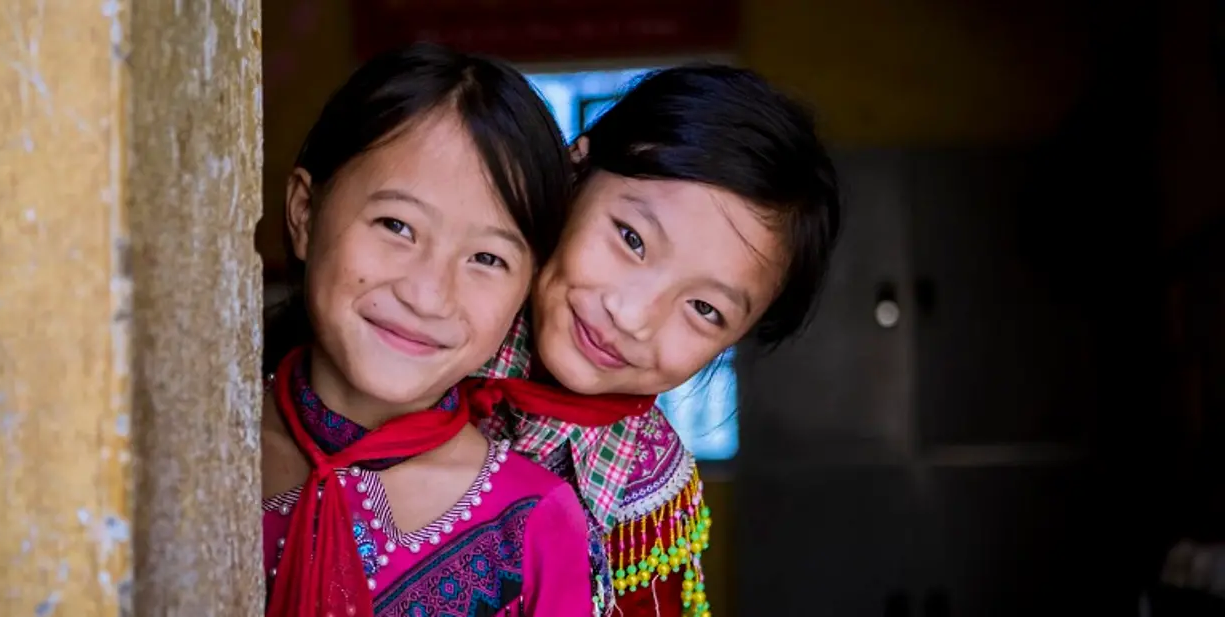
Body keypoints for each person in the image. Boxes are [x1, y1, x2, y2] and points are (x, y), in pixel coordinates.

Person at [477, 64, 842, 617]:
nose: (632, 316)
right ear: (575, 169)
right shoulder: (430, 333)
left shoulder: (647, 505)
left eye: (704, 309)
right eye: (631, 239)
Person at [259, 43, 599, 617]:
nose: (427, 294)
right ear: (304, 213)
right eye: (397, 225)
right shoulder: (201, 447)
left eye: (487, 259)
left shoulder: (534, 522)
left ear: (526, 291)